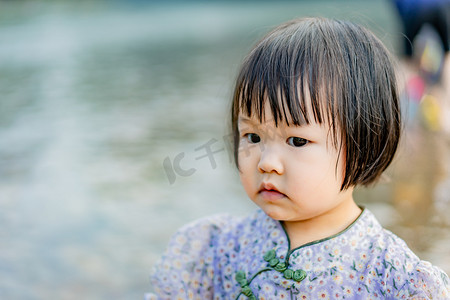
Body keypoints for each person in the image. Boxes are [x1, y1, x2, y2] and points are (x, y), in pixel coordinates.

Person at [146, 18, 450, 299]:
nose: (267, 162)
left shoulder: (388, 276)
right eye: (252, 137)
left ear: (364, 141)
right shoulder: (217, 249)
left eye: (297, 140)